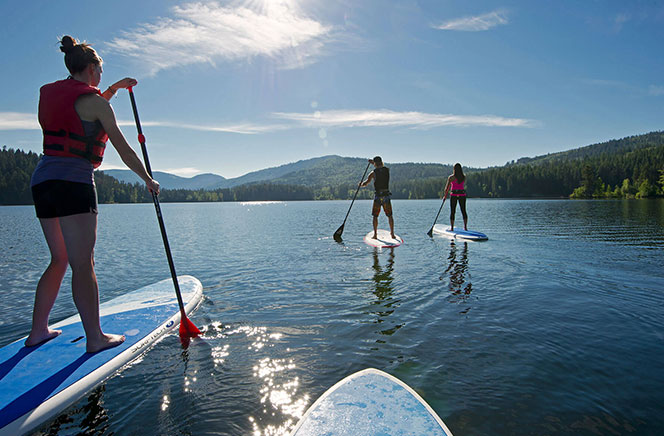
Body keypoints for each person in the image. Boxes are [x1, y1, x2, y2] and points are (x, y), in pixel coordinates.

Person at [26, 35, 160, 353]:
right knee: (83, 263)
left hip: (43, 180)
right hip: (74, 182)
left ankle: (37, 331)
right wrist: (147, 179)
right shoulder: (96, 103)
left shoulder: (52, 94)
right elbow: (124, 149)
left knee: (59, 259)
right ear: (90, 69)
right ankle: (96, 338)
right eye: (100, 72)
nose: (101, 78)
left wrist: (115, 88)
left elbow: (86, 106)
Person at [359, 156, 395, 239]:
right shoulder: (387, 170)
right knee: (390, 215)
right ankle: (392, 234)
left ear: (375, 164)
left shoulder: (373, 173)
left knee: (375, 216)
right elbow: (381, 167)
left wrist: (361, 184)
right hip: (386, 196)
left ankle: (375, 235)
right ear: (382, 162)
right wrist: (374, 163)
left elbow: (366, 183)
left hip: (378, 197)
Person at [443, 163, 468, 231]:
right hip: (462, 195)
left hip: (453, 195)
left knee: (452, 211)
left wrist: (445, 196)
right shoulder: (463, 177)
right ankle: (465, 227)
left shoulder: (451, 177)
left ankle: (452, 228)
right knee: (463, 211)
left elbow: (446, 189)